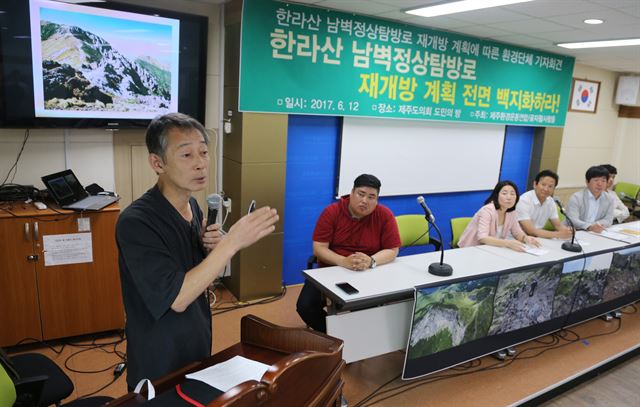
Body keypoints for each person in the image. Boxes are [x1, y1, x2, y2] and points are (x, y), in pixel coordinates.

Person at [116, 113, 279, 389]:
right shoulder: (136, 222)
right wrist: (231, 244)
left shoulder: (192, 207)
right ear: (158, 163)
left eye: (204, 152)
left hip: (196, 338)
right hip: (159, 352)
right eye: (187, 155)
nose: (201, 163)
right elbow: (177, 297)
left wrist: (209, 248)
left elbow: (196, 274)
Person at [296, 174, 401, 332]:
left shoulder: (384, 215)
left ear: (377, 199)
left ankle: (357, 337)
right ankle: (335, 334)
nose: (365, 200)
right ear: (351, 192)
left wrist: (371, 260)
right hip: (330, 270)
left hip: (367, 272)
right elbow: (319, 248)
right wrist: (343, 261)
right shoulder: (332, 212)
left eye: (371, 197)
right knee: (305, 306)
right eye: (361, 194)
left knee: (366, 309)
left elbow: (393, 250)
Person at [458, 180, 540, 251]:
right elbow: (482, 237)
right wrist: (508, 243)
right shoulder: (487, 210)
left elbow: (517, 233)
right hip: (471, 249)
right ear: (496, 196)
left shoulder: (511, 212)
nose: (509, 197)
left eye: (512, 194)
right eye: (504, 193)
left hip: (491, 249)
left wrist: (526, 238)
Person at [515, 170, 572, 239]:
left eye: (550, 186)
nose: (546, 189)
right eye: (543, 185)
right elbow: (530, 231)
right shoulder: (524, 201)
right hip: (520, 238)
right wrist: (557, 234)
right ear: (535, 184)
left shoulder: (550, 201)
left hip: (539, 238)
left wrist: (567, 231)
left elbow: (558, 226)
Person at [566, 166, 614, 232]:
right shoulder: (576, 197)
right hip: (575, 232)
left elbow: (608, 220)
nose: (600, 184)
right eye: (596, 180)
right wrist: (589, 227)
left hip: (595, 232)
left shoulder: (609, 199)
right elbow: (572, 220)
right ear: (587, 182)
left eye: (603, 181)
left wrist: (594, 226)